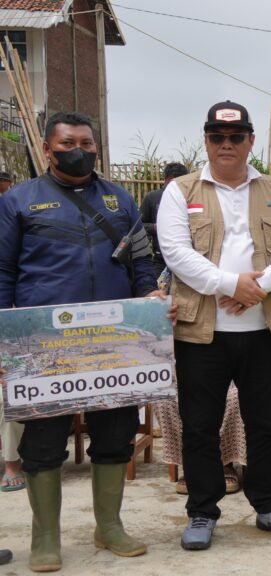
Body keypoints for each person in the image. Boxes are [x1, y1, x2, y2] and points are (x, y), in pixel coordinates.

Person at [0, 111, 162, 571]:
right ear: (47, 149)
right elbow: (3, 272)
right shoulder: (19, 201)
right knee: (43, 443)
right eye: (68, 143)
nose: (79, 151)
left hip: (115, 341)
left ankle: (108, 526)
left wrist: (150, 296)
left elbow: (142, 263)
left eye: (87, 143)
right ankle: (45, 537)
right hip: (43, 346)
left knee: (115, 434)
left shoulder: (119, 199)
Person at [158, 101, 271, 550]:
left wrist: (258, 288)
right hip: (201, 333)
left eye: (236, 136)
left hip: (263, 329)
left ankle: (270, 506)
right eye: (217, 137)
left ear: (250, 140)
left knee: (265, 424)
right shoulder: (180, 191)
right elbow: (176, 253)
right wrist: (230, 284)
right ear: (206, 140)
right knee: (199, 426)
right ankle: (202, 511)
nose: (227, 144)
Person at [140, 162, 189, 272]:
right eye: (173, 182)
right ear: (166, 180)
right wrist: (155, 227)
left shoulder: (191, 197)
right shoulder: (152, 198)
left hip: (187, 260)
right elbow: (138, 226)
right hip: (160, 260)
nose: (176, 186)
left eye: (181, 182)